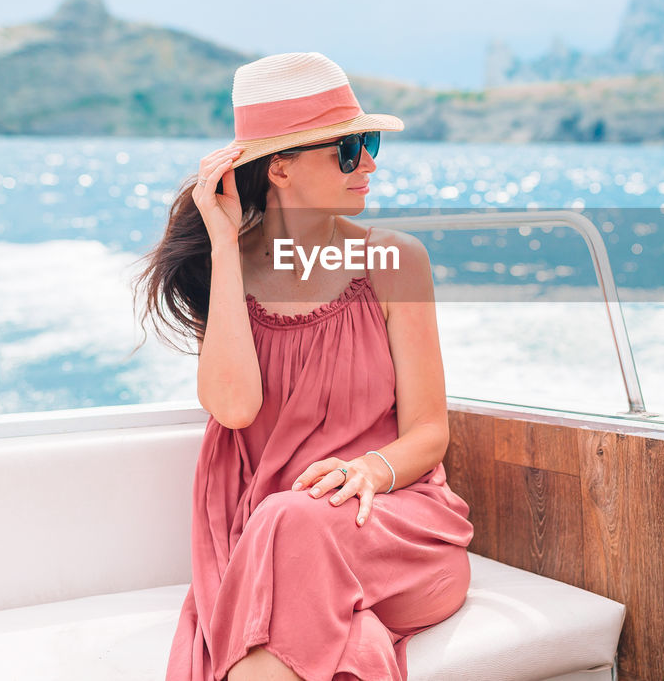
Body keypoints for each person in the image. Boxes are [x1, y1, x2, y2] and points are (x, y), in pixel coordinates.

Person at [134, 52, 474, 681]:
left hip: (394, 529)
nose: (368, 163)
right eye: (347, 150)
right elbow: (234, 409)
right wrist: (223, 245)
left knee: (289, 518)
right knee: (290, 539)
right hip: (275, 540)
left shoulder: (396, 261)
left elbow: (430, 432)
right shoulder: (230, 273)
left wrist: (371, 468)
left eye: (367, 143)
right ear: (281, 168)